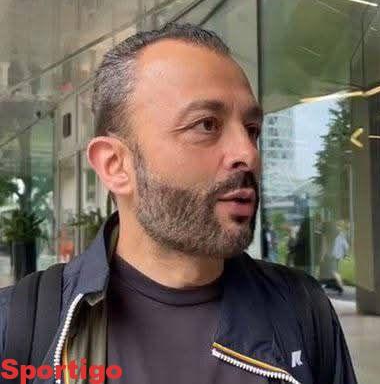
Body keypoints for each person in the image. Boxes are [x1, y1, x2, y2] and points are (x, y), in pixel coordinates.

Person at [0, 23, 357, 384]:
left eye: (252, 130)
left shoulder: (301, 309)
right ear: (115, 165)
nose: (248, 154)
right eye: (206, 125)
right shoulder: (20, 326)